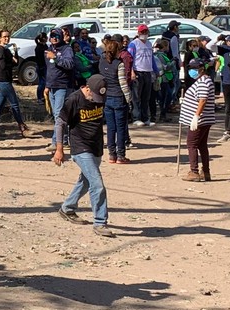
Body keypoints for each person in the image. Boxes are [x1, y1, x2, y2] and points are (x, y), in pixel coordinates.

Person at [54, 74, 113, 237]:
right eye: (94, 96)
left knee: (86, 181)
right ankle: (100, 223)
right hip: (80, 148)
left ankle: (67, 208)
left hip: (96, 147)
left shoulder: (102, 95)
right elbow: (60, 123)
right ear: (87, 88)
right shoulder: (73, 100)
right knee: (97, 184)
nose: (97, 100)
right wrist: (59, 149)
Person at [180, 59, 216, 182]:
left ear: (201, 68)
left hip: (200, 120)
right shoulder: (205, 80)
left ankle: (194, 171)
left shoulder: (203, 82)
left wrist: (196, 116)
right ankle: (206, 171)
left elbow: (203, 99)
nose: (192, 71)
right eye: (190, 68)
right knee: (201, 145)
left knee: (192, 144)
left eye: (194, 68)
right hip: (205, 119)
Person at [0, 29, 29, 138]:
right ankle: (21, 125)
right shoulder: (0, 50)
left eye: (8, 36)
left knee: (0, 105)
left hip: (4, 80)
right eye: (4, 37)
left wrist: (15, 52)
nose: (7, 38)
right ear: (0, 38)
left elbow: (16, 63)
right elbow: (3, 66)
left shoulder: (6, 50)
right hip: (3, 81)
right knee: (14, 104)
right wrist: (11, 63)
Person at [99, 35, 130, 164]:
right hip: (118, 97)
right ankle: (121, 155)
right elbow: (123, 84)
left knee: (110, 128)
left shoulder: (102, 63)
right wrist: (129, 99)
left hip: (107, 97)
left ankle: (112, 155)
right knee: (121, 128)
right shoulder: (119, 64)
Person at [44, 29, 75, 151]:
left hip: (63, 86)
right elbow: (49, 70)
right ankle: (64, 139)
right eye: (52, 36)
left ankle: (57, 142)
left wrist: (56, 58)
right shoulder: (49, 49)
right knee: (57, 115)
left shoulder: (67, 49)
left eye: (57, 36)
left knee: (59, 114)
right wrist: (46, 86)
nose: (54, 38)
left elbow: (69, 64)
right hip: (52, 86)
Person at [128, 24, 157, 126]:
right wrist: (132, 72)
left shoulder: (149, 44)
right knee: (136, 97)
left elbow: (152, 58)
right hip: (137, 71)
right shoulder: (133, 44)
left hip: (148, 72)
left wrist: (156, 71)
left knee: (146, 96)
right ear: (138, 33)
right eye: (142, 32)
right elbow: (130, 59)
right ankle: (136, 117)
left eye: (146, 32)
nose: (144, 34)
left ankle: (145, 118)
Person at [155, 39, 177, 121]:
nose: (168, 48)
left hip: (167, 78)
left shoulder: (163, 55)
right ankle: (162, 115)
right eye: (167, 46)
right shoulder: (160, 56)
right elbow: (165, 67)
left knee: (166, 97)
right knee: (165, 97)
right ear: (164, 47)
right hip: (163, 79)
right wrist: (173, 62)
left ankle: (163, 115)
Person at [33, 32, 48, 102]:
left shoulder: (39, 46)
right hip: (41, 66)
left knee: (42, 82)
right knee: (42, 82)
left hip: (40, 66)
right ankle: (40, 97)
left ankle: (41, 96)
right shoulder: (41, 48)